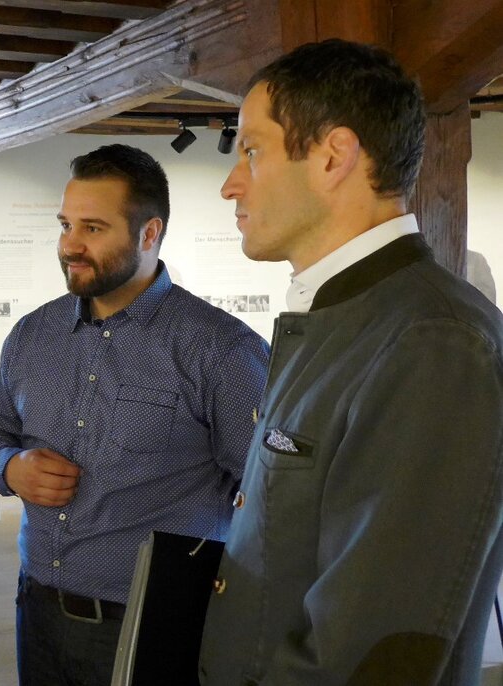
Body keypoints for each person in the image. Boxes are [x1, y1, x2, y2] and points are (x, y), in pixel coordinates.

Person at [199, 39, 503, 686]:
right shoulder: (348, 319)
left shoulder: (434, 342)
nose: (231, 183)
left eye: (252, 151)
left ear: (334, 156)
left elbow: (370, 654)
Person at [0, 144, 270, 686]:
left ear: (149, 233)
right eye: (65, 225)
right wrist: (8, 465)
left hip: (155, 624)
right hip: (37, 608)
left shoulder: (220, 351)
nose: (70, 246)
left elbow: (268, 496)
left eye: (92, 228)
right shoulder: (33, 335)